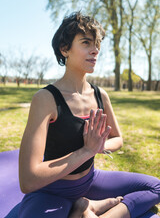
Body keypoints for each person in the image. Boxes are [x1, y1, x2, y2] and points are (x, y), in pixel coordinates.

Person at [18, 12, 160, 218]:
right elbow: (28, 180)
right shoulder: (46, 98)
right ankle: (83, 208)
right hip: (50, 191)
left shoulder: (100, 95)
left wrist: (100, 146)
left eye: (97, 45)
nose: (95, 51)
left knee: (156, 187)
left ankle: (88, 209)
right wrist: (87, 150)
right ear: (65, 49)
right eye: (86, 43)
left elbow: (117, 139)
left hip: (90, 181)